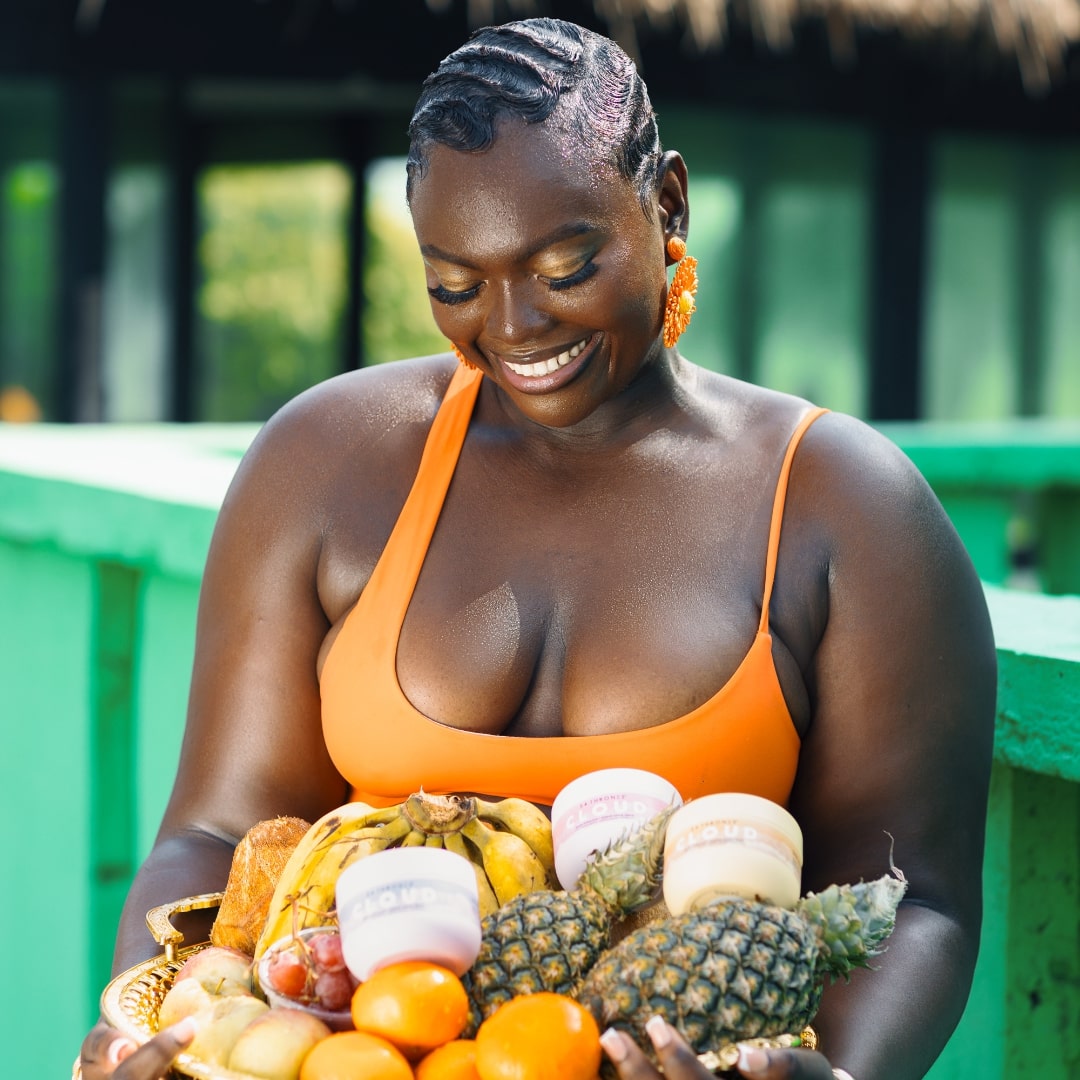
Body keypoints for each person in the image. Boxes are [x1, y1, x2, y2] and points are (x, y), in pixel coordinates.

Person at [77, 17, 996, 1080]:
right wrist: (154, 1031)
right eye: (455, 285)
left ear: (667, 206)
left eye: (565, 264)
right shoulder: (326, 464)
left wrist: (838, 1079)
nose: (514, 328)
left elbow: (915, 895)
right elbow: (214, 833)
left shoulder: (847, 508)